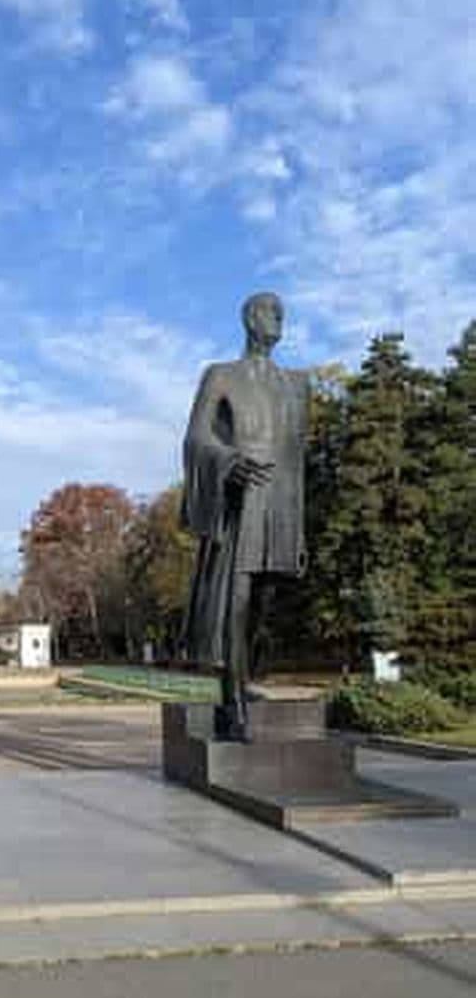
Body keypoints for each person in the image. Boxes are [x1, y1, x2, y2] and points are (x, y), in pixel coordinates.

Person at [180, 292, 309, 739]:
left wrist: (300, 528)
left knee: (264, 602)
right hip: (242, 495)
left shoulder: (297, 385)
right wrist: (228, 461)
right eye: (271, 311)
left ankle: (245, 677)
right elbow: (197, 437)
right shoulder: (221, 375)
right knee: (236, 597)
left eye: (282, 313)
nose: (279, 318)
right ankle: (232, 698)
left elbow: (297, 458)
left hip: (282, 502)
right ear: (251, 319)